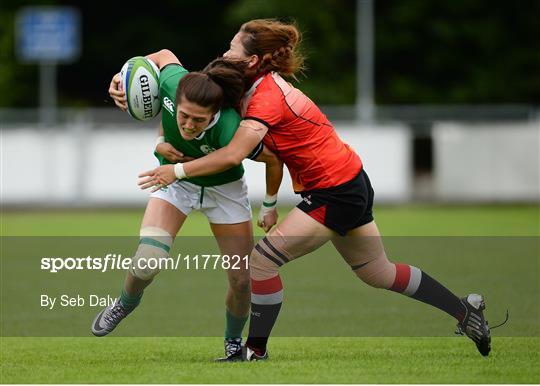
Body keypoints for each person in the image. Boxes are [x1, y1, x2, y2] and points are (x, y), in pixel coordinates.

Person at [135, 20, 494, 360]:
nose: (226, 51)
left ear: (252, 59)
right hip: (351, 180)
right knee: (378, 272)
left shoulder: (265, 98)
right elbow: (189, 97)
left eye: (232, 47)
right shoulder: (250, 84)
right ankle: (466, 311)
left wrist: (176, 171)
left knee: (259, 263)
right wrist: (141, 106)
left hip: (334, 190)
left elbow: (233, 153)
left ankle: (254, 350)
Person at [92, 48, 283, 361]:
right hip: (176, 184)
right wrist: (121, 75)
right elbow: (163, 54)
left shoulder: (231, 126)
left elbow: (272, 159)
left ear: (214, 114)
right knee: (148, 259)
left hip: (224, 190)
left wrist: (270, 204)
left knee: (241, 279)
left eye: (199, 120)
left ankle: (233, 343)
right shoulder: (173, 83)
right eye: (183, 116)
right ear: (174, 100)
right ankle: (125, 302)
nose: (189, 125)